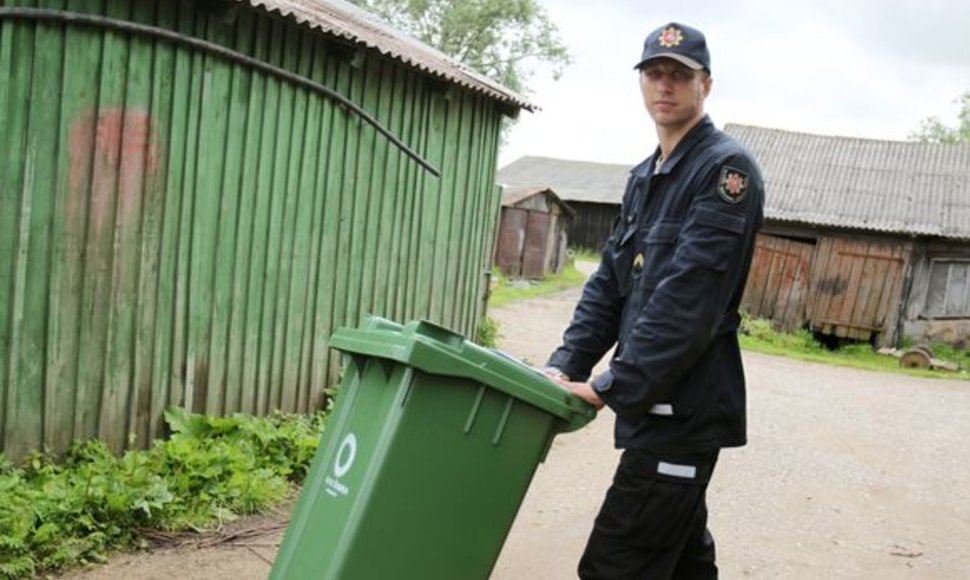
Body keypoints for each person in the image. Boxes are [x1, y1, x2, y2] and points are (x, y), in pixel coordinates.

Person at [543, 22, 764, 579]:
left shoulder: (723, 172)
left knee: (614, 567)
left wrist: (610, 383)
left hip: (682, 412)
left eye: (679, 76)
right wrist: (565, 363)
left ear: (705, 86)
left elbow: (688, 302)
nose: (665, 86)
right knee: (684, 562)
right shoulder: (646, 177)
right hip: (661, 416)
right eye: (654, 74)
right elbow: (610, 287)